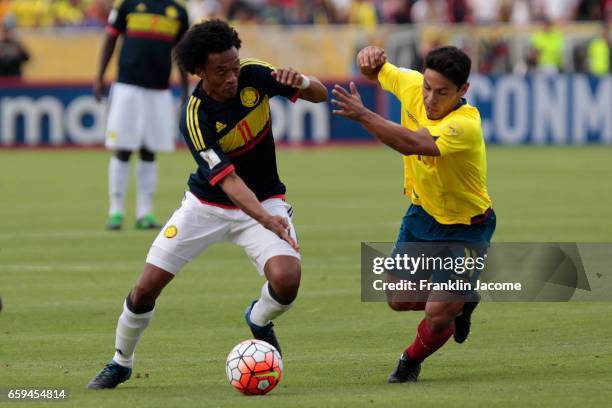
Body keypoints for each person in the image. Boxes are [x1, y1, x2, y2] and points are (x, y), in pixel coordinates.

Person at [87, 19, 328, 389]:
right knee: (146, 288)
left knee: (287, 280)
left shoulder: (255, 75)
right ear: (199, 71)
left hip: (265, 199)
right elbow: (229, 181)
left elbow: (320, 95)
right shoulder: (195, 117)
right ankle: (120, 361)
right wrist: (266, 219)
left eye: (234, 66)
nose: (232, 76)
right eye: (221, 71)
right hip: (205, 207)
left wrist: (304, 82)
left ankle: (259, 318)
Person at [331, 45, 496, 383]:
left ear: (463, 90)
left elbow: (411, 142)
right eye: (427, 88)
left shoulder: (464, 125)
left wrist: (363, 115)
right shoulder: (411, 84)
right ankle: (461, 302)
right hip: (422, 216)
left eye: (442, 92)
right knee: (397, 298)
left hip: (466, 229)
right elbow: (374, 70)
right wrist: (369, 58)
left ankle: (410, 361)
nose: (431, 98)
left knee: (437, 315)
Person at [95, 0, 190, 230]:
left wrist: (186, 90)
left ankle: (144, 213)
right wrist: (99, 77)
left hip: (159, 90)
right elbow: (110, 39)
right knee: (123, 147)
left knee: (150, 149)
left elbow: (182, 53)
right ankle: (115, 211)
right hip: (127, 86)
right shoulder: (128, 5)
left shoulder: (177, 12)